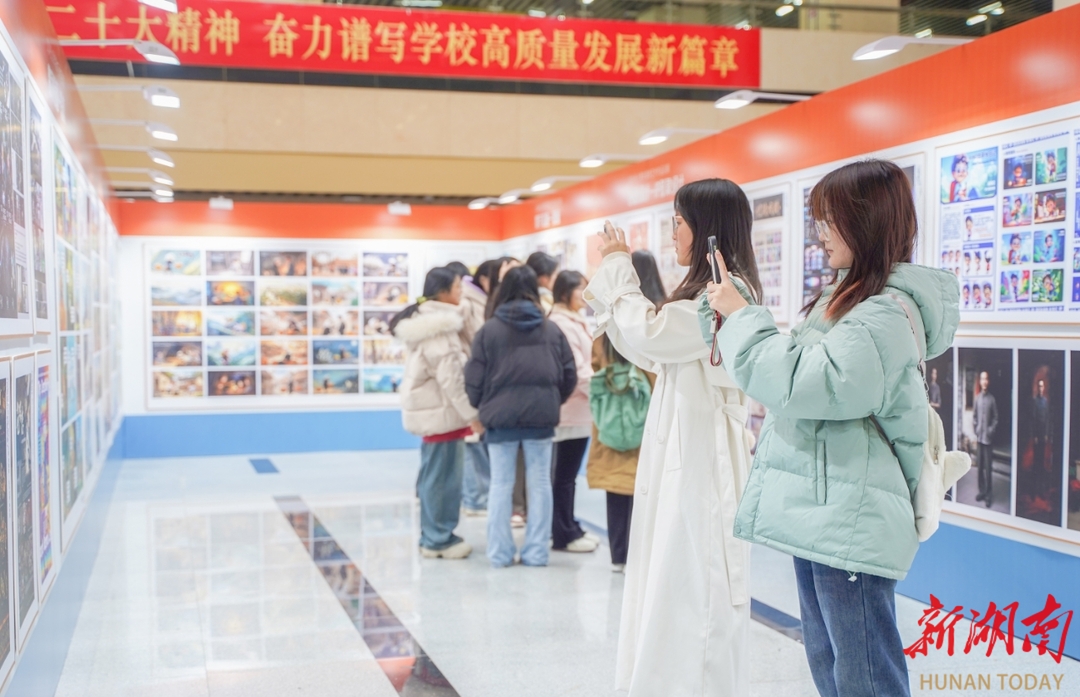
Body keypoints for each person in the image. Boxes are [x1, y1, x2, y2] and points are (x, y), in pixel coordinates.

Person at [708, 159, 960, 697]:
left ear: (865, 222)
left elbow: (805, 383)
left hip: (850, 513)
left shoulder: (882, 315)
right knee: (830, 657)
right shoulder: (848, 300)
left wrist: (743, 317)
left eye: (830, 219)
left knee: (863, 668)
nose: (820, 233)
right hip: (825, 506)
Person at [587, 178, 763, 697]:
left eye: (679, 223)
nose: (672, 233)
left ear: (708, 229)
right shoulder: (707, 295)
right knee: (672, 584)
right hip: (685, 453)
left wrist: (618, 267)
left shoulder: (722, 296)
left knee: (694, 592)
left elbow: (651, 333)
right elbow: (652, 347)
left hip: (702, 462)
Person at [465, 266, 576, 567]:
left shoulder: (488, 331)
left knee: (501, 484)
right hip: (541, 418)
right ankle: (537, 552)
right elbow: (569, 374)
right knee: (540, 484)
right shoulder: (551, 330)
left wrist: (482, 406)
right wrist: (551, 401)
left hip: (499, 420)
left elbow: (473, 378)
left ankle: (500, 554)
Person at [391, 267, 480, 559]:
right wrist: (472, 415)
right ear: (442, 293)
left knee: (437, 477)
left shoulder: (432, 323)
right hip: (441, 415)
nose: (461, 293)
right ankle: (437, 538)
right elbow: (452, 380)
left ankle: (437, 534)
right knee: (443, 480)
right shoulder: (438, 329)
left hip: (438, 413)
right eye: (457, 288)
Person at [586, 250, 666, 572]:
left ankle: (619, 556)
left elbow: (596, 362)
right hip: (652, 410)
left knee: (617, 486)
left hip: (613, 412)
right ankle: (646, 557)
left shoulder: (610, 318)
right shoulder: (661, 314)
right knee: (651, 485)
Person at [547, 270, 599, 553]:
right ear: (565, 291)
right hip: (570, 409)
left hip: (578, 409)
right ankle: (563, 533)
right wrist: (601, 395)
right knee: (563, 476)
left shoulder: (573, 320)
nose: (586, 294)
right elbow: (578, 371)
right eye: (581, 288)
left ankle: (568, 525)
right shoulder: (563, 323)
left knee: (566, 475)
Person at [452, 259, 495, 517]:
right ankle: (475, 498)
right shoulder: (468, 303)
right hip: (471, 378)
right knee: (471, 440)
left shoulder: (478, 301)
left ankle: (477, 497)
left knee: (473, 440)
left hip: (478, 378)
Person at [973, 370, 999, 508]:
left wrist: (990, 430)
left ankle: (988, 495)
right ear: (980, 381)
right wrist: (976, 429)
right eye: (982, 379)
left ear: (988, 381)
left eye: (986, 379)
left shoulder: (992, 399)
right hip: (979, 438)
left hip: (988, 440)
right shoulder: (977, 398)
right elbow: (974, 417)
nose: (984, 381)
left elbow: (996, 418)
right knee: (980, 467)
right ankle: (982, 491)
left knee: (988, 468)